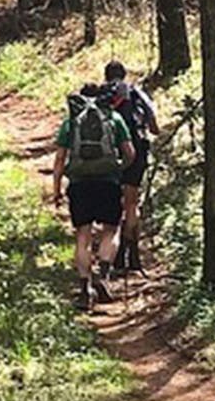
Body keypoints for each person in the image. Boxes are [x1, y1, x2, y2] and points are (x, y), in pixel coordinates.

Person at [50, 82, 137, 309]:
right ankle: (104, 274)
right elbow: (130, 153)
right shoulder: (114, 119)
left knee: (83, 236)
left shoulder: (71, 122)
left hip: (79, 184)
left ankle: (84, 289)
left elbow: (60, 159)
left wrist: (57, 189)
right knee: (111, 230)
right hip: (108, 182)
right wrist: (119, 169)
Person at [101, 61, 160, 274]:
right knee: (132, 203)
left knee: (114, 203)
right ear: (124, 75)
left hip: (110, 155)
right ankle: (133, 254)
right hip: (137, 151)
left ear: (106, 76)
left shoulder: (101, 96)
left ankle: (115, 256)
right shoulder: (136, 92)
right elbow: (154, 128)